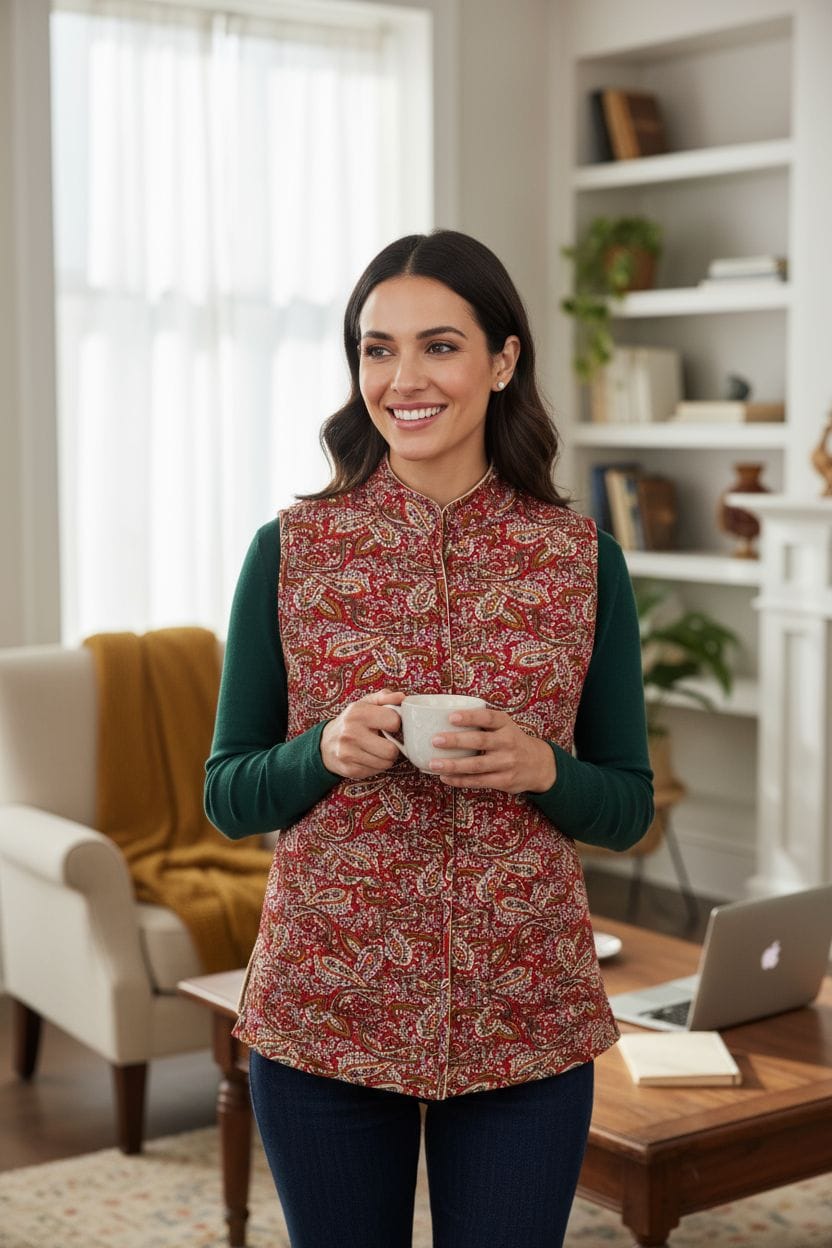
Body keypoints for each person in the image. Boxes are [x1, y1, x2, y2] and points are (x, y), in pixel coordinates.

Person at [205, 229, 653, 1248]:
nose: (401, 378)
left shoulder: (585, 562)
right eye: (375, 348)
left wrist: (544, 770)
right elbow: (229, 794)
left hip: (524, 1017)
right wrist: (320, 751)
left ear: (502, 361)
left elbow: (626, 805)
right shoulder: (288, 553)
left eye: (439, 346)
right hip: (325, 1009)